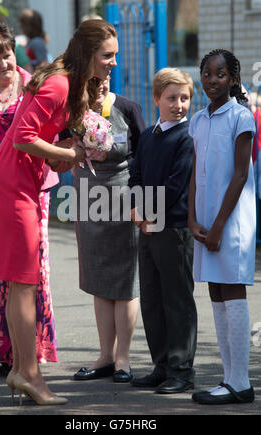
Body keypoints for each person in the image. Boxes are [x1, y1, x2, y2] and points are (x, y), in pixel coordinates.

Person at [0, 19, 118, 406]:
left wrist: (63, 152)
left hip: (18, 181)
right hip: (11, 185)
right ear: (89, 53)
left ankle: (20, 370)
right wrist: (68, 154)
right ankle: (30, 376)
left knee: (19, 281)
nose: (113, 63)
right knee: (24, 281)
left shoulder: (69, 84)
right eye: (108, 55)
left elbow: (39, 138)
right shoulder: (59, 83)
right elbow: (23, 137)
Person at [0, 22, 59, 373]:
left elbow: (52, 135)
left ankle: (27, 352)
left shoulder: (36, 86)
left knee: (29, 270)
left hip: (30, 192)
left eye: (6, 54)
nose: (3, 63)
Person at [188, 49, 256, 405]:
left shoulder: (241, 117)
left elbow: (241, 174)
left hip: (230, 223)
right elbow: (195, 172)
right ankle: (229, 379)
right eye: (207, 74)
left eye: (220, 74)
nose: (212, 80)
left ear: (232, 78)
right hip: (205, 222)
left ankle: (241, 382)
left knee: (232, 291)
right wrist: (191, 218)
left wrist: (217, 226)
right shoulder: (198, 120)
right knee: (216, 293)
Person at [129, 68, 197, 394]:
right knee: (152, 299)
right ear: (156, 99)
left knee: (177, 301)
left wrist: (148, 213)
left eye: (184, 98)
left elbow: (175, 185)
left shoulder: (186, 137)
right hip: (148, 228)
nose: (179, 104)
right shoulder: (148, 135)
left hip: (173, 230)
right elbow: (136, 174)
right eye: (171, 98)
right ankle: (162, 365)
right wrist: (138, 210)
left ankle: (182, 370)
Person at [72, 78, 145, 383]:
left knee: (125, 279)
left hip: (123, 196)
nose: (100, 85)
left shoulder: (128, 108)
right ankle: (105, 355)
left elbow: (144, 156)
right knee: (98, 276)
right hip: (87, 198)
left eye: (103, 79)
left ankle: (123, 360)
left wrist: (141, 202)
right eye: (92, 80)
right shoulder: (73, 111)